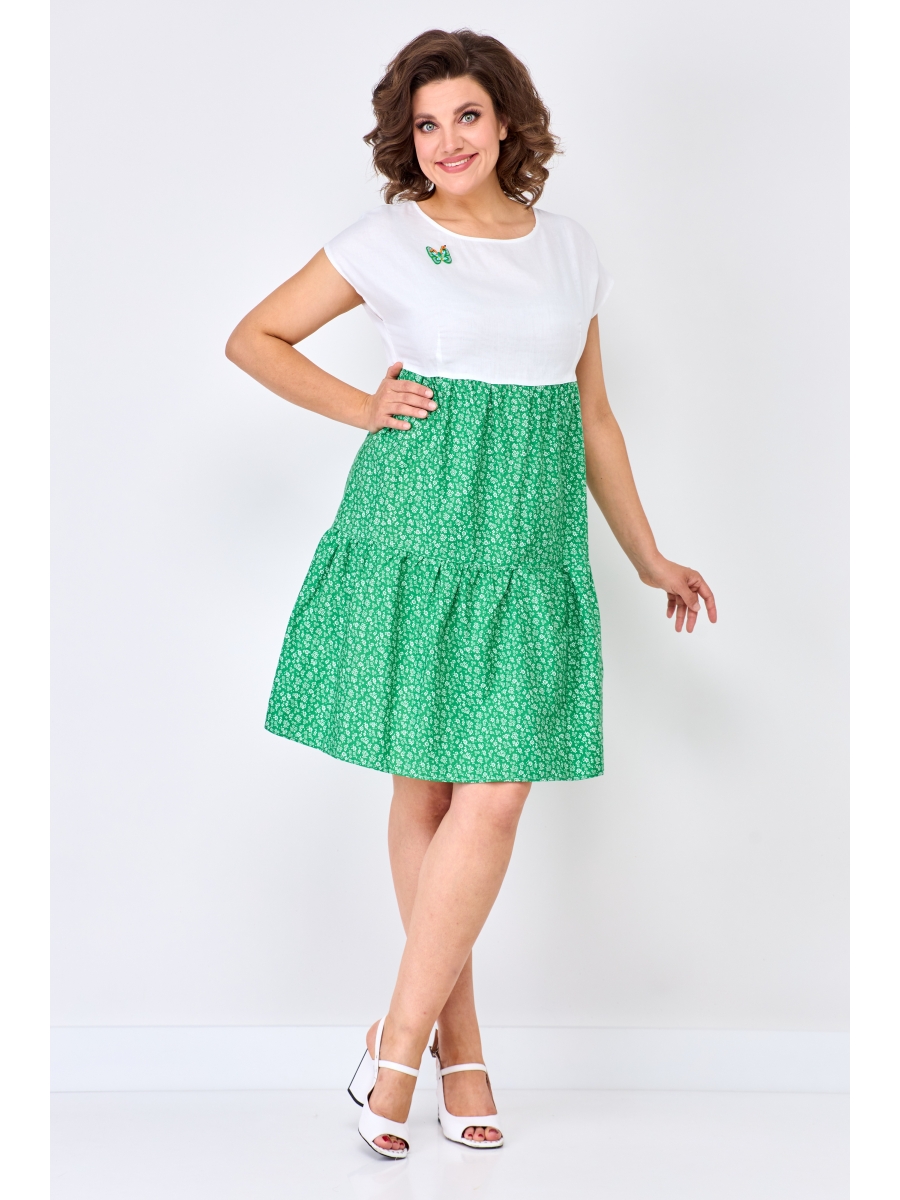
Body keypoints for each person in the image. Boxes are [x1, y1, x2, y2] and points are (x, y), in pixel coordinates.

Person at [225, 27, 716, 1159]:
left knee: (493, 796)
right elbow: (256, 338)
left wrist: (648, 556)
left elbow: (595, 419)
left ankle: (394, 1042)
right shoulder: (388, 240)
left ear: (506, 123)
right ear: (408, 139)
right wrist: (361, 408)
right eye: (426, 123)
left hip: (530, 546)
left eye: (467, 116)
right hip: (417, 529)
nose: (448, 140)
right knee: (430, 789)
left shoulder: (569, 249)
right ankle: (459, 1049)